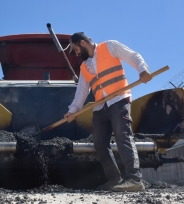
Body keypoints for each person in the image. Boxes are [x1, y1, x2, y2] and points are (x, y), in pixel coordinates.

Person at [64, 32, 152, 192]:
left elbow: (133, 56)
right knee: (99, 143)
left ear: (83, 43)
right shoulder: (84, 67)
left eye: (76, 50)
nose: (76, 54)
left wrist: (142, 70)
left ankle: (134, 178)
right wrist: (72, 111)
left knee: (122, 136)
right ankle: (114, 179)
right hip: (100, 107)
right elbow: (81, 91)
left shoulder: (110, 46)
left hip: (119, 100)